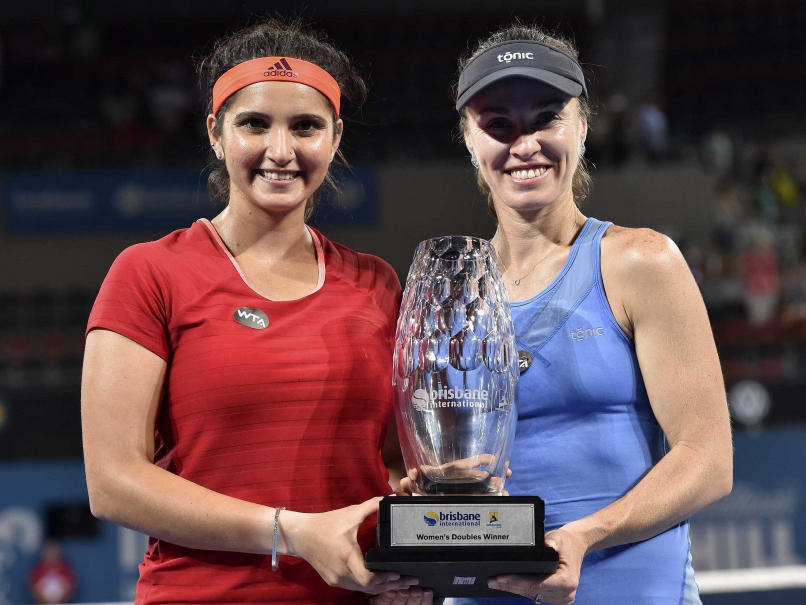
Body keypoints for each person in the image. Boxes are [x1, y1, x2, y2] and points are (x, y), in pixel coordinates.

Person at [81, 19, 426, 605]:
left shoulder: (377, 283)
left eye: (306, 127)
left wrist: (412, 557)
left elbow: (394, 465)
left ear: (335, 138)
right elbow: (113, 483)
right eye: (255, 124)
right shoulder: (149, 273)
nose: (281, 150)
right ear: (217, 132)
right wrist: (290, 531)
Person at [445, 24, 733, 605]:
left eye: (546, 116)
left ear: (581, 123)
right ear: (471, 140)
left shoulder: (639, 262)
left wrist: (582, 537)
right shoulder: (450, 294)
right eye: (499, 124)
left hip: (630, 591)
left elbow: (708, 461)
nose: (523, 143)